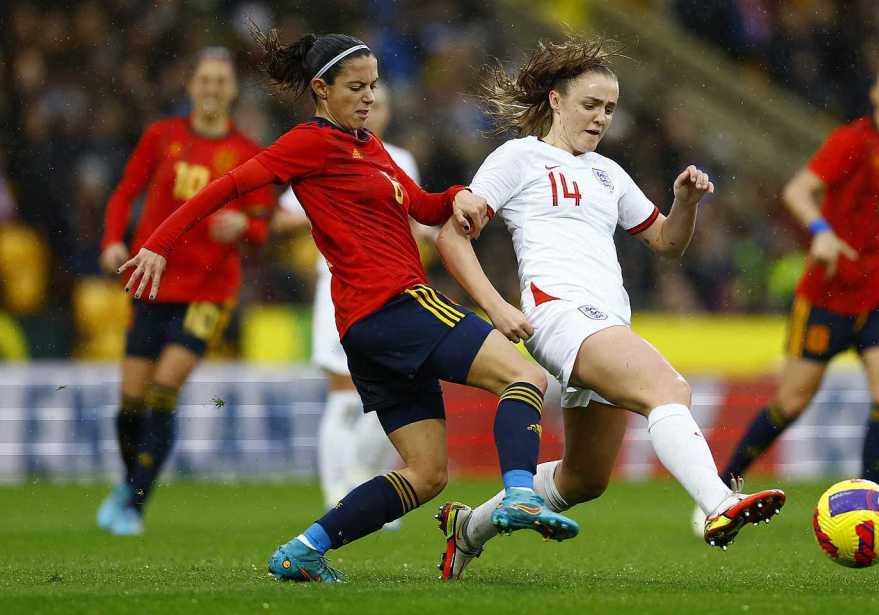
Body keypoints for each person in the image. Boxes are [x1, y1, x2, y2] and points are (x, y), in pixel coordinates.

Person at [118, 29, 579, 583]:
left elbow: (424, 207)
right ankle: (521, 494)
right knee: (525, 377)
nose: (368, 97)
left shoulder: (370, 146)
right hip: (395, 303)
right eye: (356, 87)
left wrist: (457, 195)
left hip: (366, 326)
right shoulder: (308, 142)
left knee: (427, 473)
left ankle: (303, 550)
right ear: (321, 89)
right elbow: (228, 186)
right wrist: (159, 244)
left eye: (374, 86)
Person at [431, 36, 786, 581]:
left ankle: (468, 529)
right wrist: (497, 307)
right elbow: (451, 237)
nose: (601, 118)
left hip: (604, 322)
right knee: (668, 389)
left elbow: (667, 242)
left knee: (584, 478)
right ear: (556, 101)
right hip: (558, 313)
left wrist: (685, 203)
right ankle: (718, 502)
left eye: (610, 109)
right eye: (590, 105)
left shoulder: (608, 173)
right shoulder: (518, 157)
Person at [715, 56, 879, 523]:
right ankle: (722, 488)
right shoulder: (853, 141)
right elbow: (797, 191)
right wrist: (822, 231)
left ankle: (871, 506)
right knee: (792, 401)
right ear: (876, 92)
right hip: (827, 296)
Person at [95, 47, 273, 536]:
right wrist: (112, 241)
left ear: (232, 90)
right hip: (151, 282)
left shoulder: (247, 152)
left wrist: (244, 226)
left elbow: (263, 225)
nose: (212, 88)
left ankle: (134, 504)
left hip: (209, 291)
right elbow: (124, 192)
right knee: (130, 400)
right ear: (191, 86)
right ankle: (130, 485)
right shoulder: (162, 136)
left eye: (221, 81)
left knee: (164, 387)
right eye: (205, 80)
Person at [273, 83, 416, 521]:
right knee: (343, 393)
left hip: (391, 289)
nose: (374, 110)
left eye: (382, 103)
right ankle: (337, 494)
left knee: (395, 388)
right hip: (339, 285)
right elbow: (282, 217)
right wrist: (320, 211)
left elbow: (411, 217)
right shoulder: (325, 152)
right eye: (367, 100)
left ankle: (368, 488)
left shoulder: (399, 159)